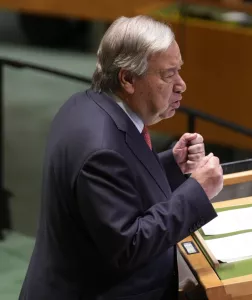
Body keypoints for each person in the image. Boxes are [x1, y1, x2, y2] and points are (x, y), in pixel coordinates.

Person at [19, 15, 223, 300]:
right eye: (168, 74)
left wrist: (172, 164)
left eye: (180, 71)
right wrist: (198, 192)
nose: (181, 85)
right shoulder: (101, 149)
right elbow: (129, 245)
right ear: (128, 78)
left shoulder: (87, 105)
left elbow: (122, 184)